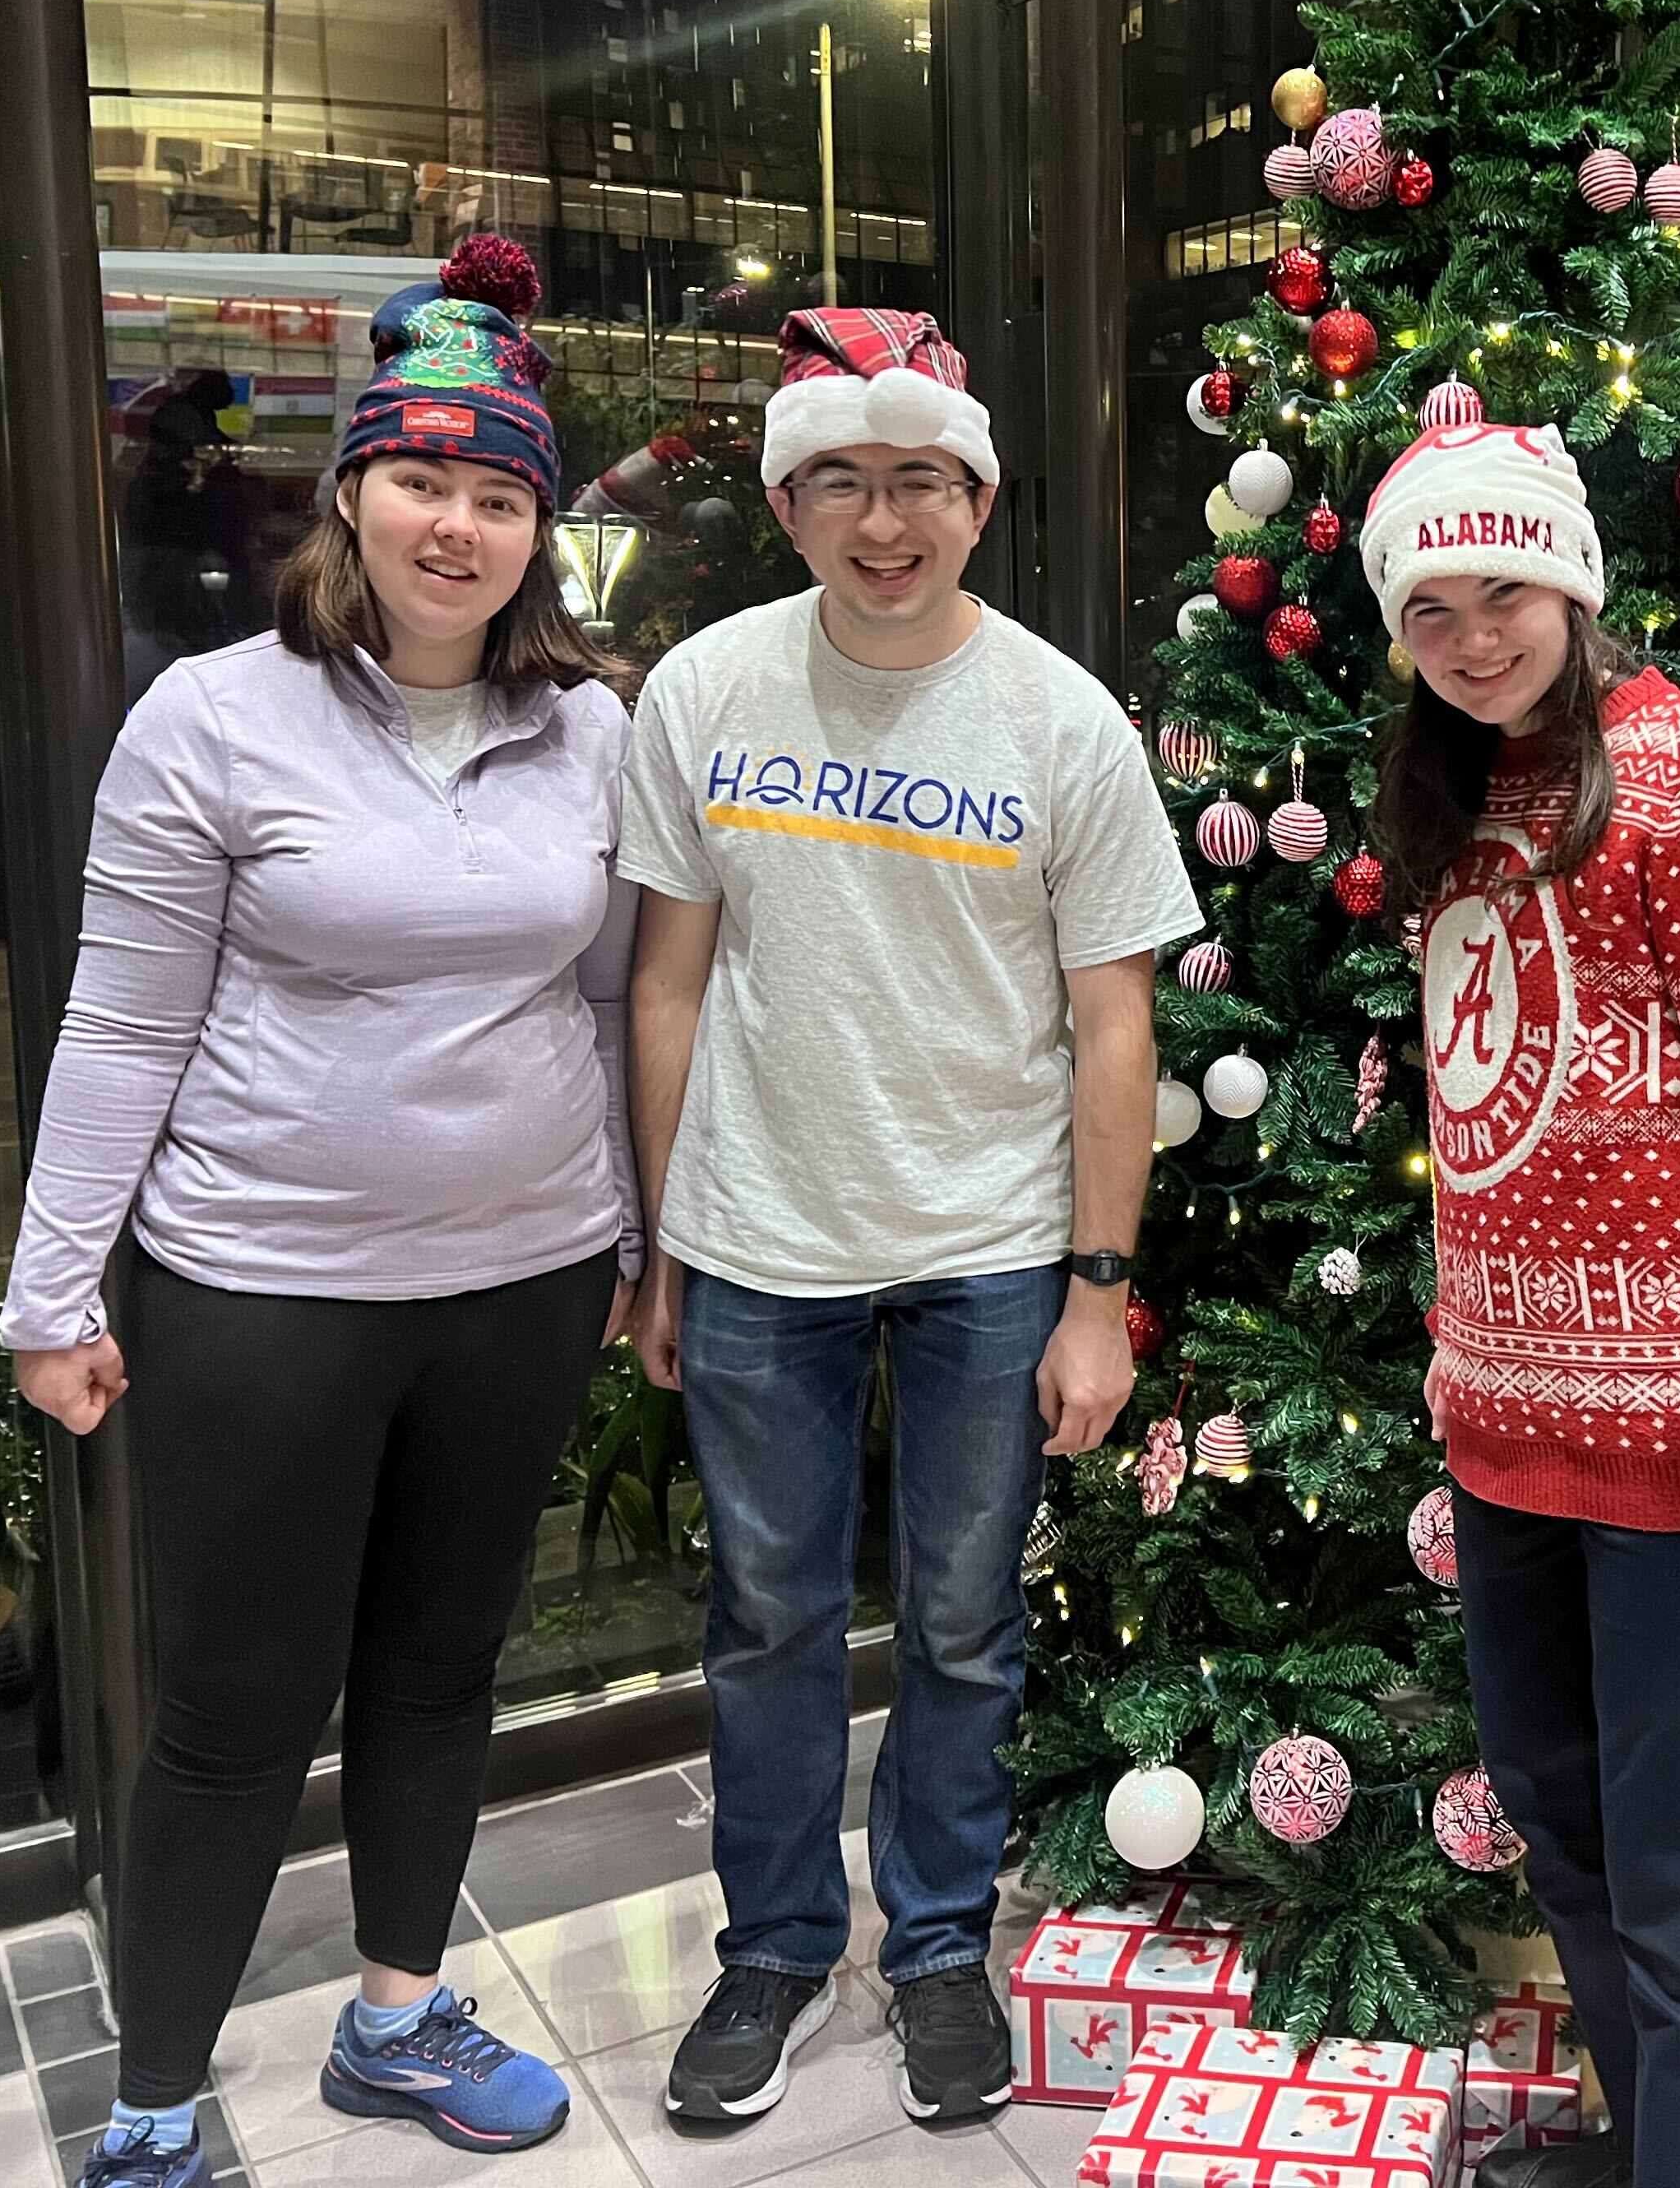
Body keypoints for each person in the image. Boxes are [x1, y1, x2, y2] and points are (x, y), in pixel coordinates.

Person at [2, 235, 637, 2188]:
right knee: (235, 1710)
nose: (460, 524)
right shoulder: (213, 719)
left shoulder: (592, 731)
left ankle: (396, 2021)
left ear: (539, 528)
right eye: (424, 478)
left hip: (524, 1281)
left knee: (443, 1672)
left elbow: (617, 1004)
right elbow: (123, 1023)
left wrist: (634, 1245)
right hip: (263, 1290)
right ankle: (153, 2105)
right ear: (353, 490)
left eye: (501, 493)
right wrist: (51, 1291)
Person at [622, 308, 1198, 2129]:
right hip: (757, 1237)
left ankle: (939, 1945)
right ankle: (777, 1948)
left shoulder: (1060, 717)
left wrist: (1096, 1290)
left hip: (988, 1247)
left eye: (924, 482)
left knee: (961, 1623)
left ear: (980, 502)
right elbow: (667, 984)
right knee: (767, 1623)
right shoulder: (704, 689)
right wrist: (664, 1241)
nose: (886, 523)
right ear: (789, 502)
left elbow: (1118, 1024)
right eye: (846, 483)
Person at [1358, 422, 1680, 2188]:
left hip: (1673, 1442)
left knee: (1677, 1858)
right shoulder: (1462, 792)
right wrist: (1459, 1361)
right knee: (1558, 1819)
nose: (1473, 638)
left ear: (1572, 581)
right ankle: (1655, 2151)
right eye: (1430, 611)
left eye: (1505, 594)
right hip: (1505, 1422)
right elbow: (1484, 1119)